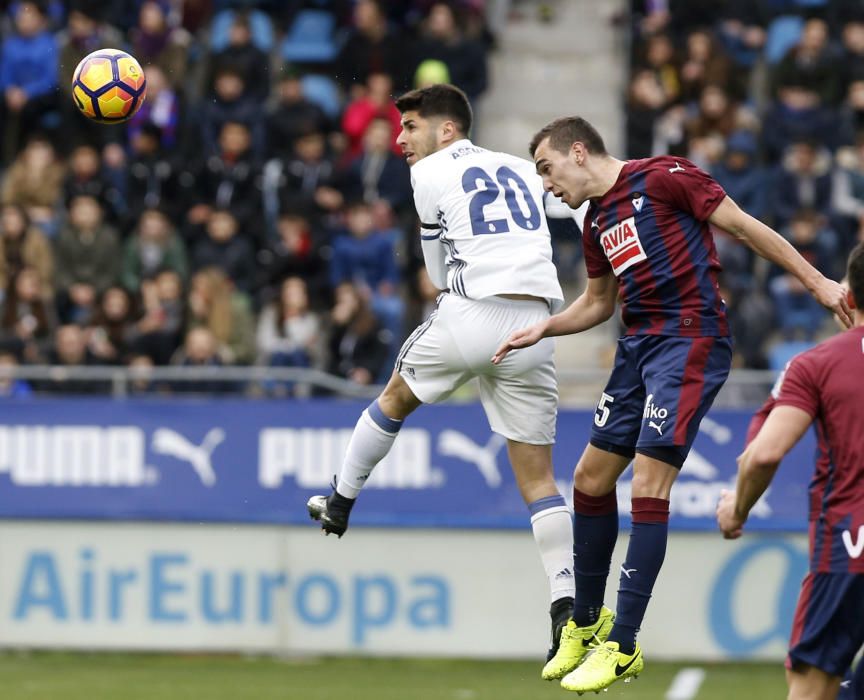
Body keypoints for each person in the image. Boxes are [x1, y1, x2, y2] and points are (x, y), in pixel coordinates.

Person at [491, 115, 851, 693]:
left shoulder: (664, 177)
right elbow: (598, 304)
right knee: (588, 478)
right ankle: (585, 621)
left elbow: (745, 227)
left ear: (578, 152)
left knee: (648, 486)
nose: (546, 184)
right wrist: (545, 328)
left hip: (691, 339)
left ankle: (624, 643)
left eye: (546, 168)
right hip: (637, 347)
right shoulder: (597, 221)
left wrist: (818, 284)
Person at [307, 84, 577, 663]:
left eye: (409, 127)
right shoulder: (519, 168)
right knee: (539, 479)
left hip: (474, 312)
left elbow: (433, 273)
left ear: (445, 130)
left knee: (395, 397)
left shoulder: (428, 173)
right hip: (536, 324)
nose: (400, 139)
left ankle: (340, 499)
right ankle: (564, 601)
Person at [717, 244, 864, 700]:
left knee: (812, 689)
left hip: (851, 547)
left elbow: (764, 454)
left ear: (850, 297)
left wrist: (737, 508)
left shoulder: (817, 363)